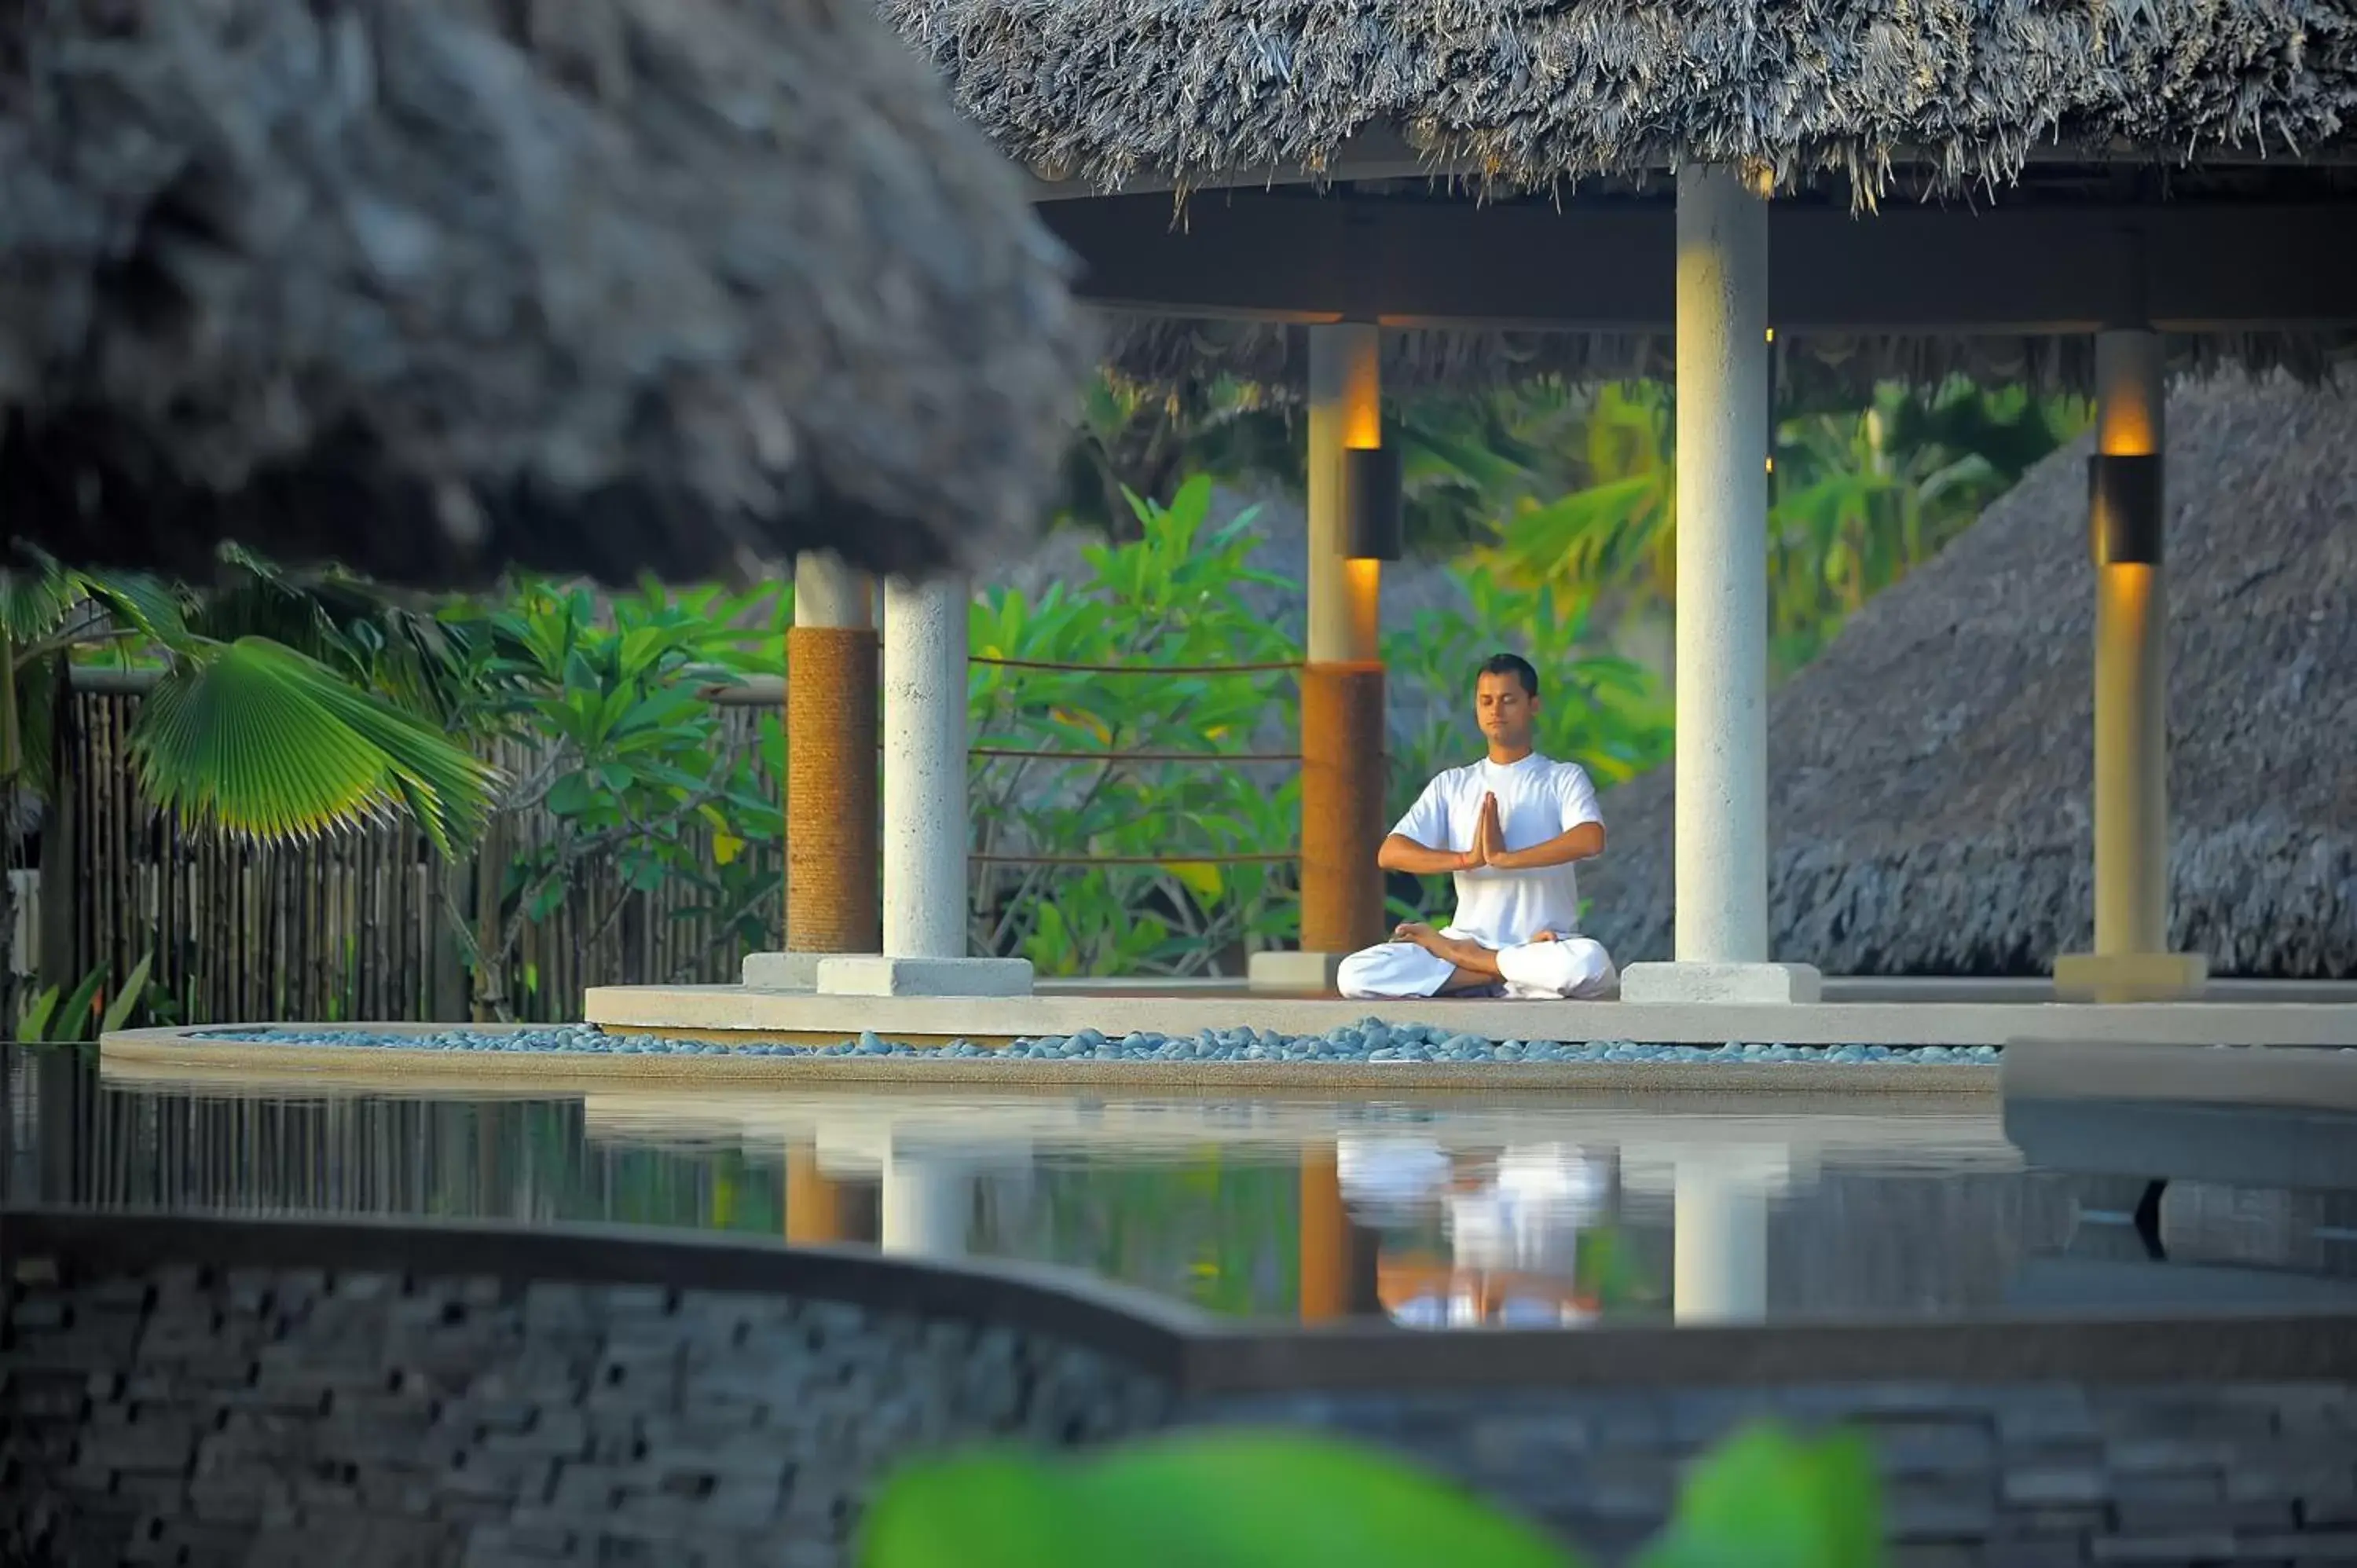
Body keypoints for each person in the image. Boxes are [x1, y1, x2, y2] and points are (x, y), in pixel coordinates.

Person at [1336, 652, 1618, 1001]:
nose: (1496, 711)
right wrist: (1468, 859)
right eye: (1486, 701)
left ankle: (1473, 966)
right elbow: (1391, 852)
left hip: (1541, 944)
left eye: (1508, 700)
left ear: (1534, 705)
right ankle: (1496, 972)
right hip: (1468, 940)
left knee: (1589, 964)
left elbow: (1590, 839)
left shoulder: (1562, 777)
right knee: (1354, 973)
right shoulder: (1452, 784)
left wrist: (1506, 858)